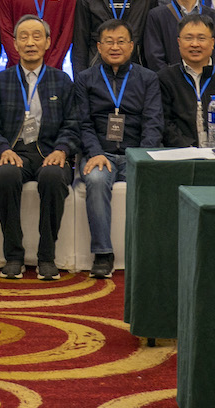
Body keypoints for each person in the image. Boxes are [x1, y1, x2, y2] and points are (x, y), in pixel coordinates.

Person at [0, 15, 79, 280]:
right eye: (23, 37)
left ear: (48, 42)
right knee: (6, 175)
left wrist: (62, 149)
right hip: (13, 152)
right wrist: (3, 149)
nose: (30, 43)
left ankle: (47, 256)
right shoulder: (0, 82)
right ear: (14, 44)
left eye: (37, 36)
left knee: (53, 177)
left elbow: (73, 124)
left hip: (50, 152)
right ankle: (13, 256)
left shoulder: (62, 81)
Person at [76, 19, 163, 279]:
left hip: (136, 153)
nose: (115, 47)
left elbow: (153, 122)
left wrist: (141, 157)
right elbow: (83, 123)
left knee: (154, 183)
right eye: (109, 42)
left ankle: (149, 253)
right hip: (100, 154)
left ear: (132, 46)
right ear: (99, 47)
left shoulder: (148, 78)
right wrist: (95, 152)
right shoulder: (85, 79)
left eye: (121, 41)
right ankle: (103, 254)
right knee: (96, 180)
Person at [157, 14, 215, 147]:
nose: (195, 44)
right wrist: (189, 149)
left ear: (212, 43)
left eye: (201, 38)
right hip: (183, 153)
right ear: (179, 42)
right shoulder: (165, 78)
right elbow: (165, 122)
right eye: (188, 38)